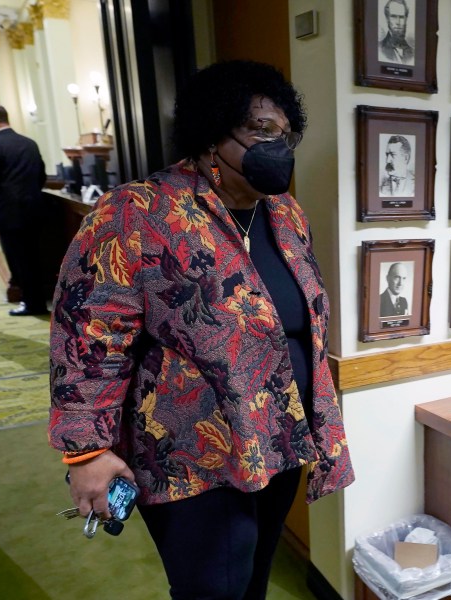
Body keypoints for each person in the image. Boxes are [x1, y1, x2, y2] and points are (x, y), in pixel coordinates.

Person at [49, 61, 354, 600]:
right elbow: (87, 338)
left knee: (254, 577)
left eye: (286, 134)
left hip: (275, 441)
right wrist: (87, 451)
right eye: (263, 131)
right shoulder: (138, 212)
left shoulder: (284, 214)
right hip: (191, 457)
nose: (278, 147)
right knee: (212, 591)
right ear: (214, 136)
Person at [0, 101, 49, 316]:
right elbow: (41, 175)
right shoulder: (29, 143)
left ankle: (31, 303)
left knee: (18, 261)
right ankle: (37, 301)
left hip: (7, 213)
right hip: (34, 209)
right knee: (34, 258)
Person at [379, 0, 414, 65]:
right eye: (394, 16)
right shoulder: (379, 49)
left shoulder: (413, 53)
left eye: (401, 17)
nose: (398, 22)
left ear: (406, 19)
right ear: (387, 19)